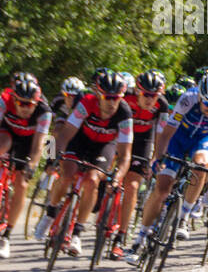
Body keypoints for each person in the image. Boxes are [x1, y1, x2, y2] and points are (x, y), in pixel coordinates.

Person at [127, 72, 208, 262]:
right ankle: (140, 238)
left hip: (203, 139)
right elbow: (166, 134)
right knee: (162, 189)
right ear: (200, 97)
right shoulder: (188, 99)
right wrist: (159, 159)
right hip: (178, 138)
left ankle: (184, 215)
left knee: (202, 166)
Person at [37, 71, 133, 257]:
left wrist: (117, 176)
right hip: (79, 140)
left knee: (92, 180)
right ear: (98, 94)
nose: (112, 102)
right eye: (107, 97)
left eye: (116, 98)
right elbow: (63, 135)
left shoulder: (124, 113)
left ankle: (77, 233)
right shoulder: (85, 103)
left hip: (104, 146)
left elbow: (125, 155)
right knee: (66, 173)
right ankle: (50, 213)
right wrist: (55, 158)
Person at [114, 70, 168, 259]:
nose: (149, 99)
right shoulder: (125, 97)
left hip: (142, 140)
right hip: (117, 135)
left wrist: (156, 158)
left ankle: (121, 236)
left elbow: (160, 135)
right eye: (145, 94)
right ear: (137, 91)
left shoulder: (162, 106)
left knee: (133, 185)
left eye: (154, 96)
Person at [0, 74, 52, 258]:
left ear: (36, 102)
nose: (24, 108)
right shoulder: (4, 100)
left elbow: (40, 145)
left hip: (28, 142)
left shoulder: (44, 111)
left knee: (22, 185)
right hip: (6, 134)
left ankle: (6, 236)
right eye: (20, 103)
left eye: (29, 104)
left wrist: (33, 165)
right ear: (14, 97)